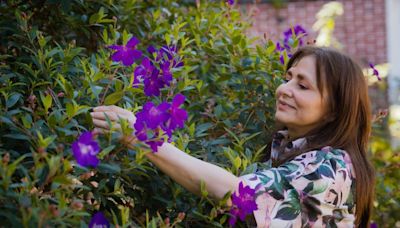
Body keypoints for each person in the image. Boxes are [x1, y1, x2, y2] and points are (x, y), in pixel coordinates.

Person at [90, 46, 375, 227]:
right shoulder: (289, 148)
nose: (284, 88)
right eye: (288, 77)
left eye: (302, 85)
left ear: (334, 110)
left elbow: (235, 194)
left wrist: (143, 137)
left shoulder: (330, 168)